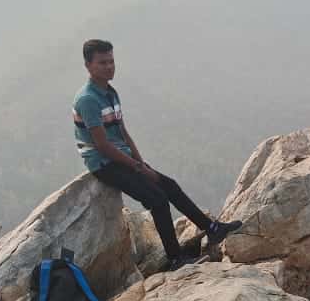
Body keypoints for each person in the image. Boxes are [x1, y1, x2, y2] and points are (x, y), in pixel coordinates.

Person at [73, 39, 242, 269]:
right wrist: (137, 167)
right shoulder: (88, 99)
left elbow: (123, 132)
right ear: (88, 65)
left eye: (111, 61)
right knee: (158, 200)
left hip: (122, 157)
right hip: (104, 163)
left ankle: (213, 229)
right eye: (102, 62)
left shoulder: (110, 93)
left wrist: (141, 163)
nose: (109, 66)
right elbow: (103, 146)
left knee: (169, 185)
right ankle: (175, 259)